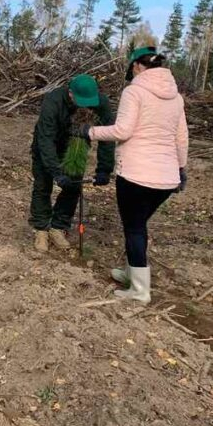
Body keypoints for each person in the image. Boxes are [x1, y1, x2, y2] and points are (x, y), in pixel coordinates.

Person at [75, 49, 188, 304]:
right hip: (166, 179)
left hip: (136, 175)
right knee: (139, 226)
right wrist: (181, 168)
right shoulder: (176, 98)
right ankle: (131, 273)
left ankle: (139, 291)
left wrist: (89, 131)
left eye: (131, 68)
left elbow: (123, 130)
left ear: (138, 66)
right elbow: (181, 137)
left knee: (134, 229)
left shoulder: (134, 91)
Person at [30, 74, 114, 253]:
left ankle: (58, 227)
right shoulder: (53, 101)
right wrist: (56, 172)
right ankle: (41, 229)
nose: (85, 106)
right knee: (42, 186)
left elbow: (108, 136)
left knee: (73, 188)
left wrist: (104, 170)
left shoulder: (101, 103)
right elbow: (46, 139)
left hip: (76, 147)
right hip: (47, 145)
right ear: (70, 93)